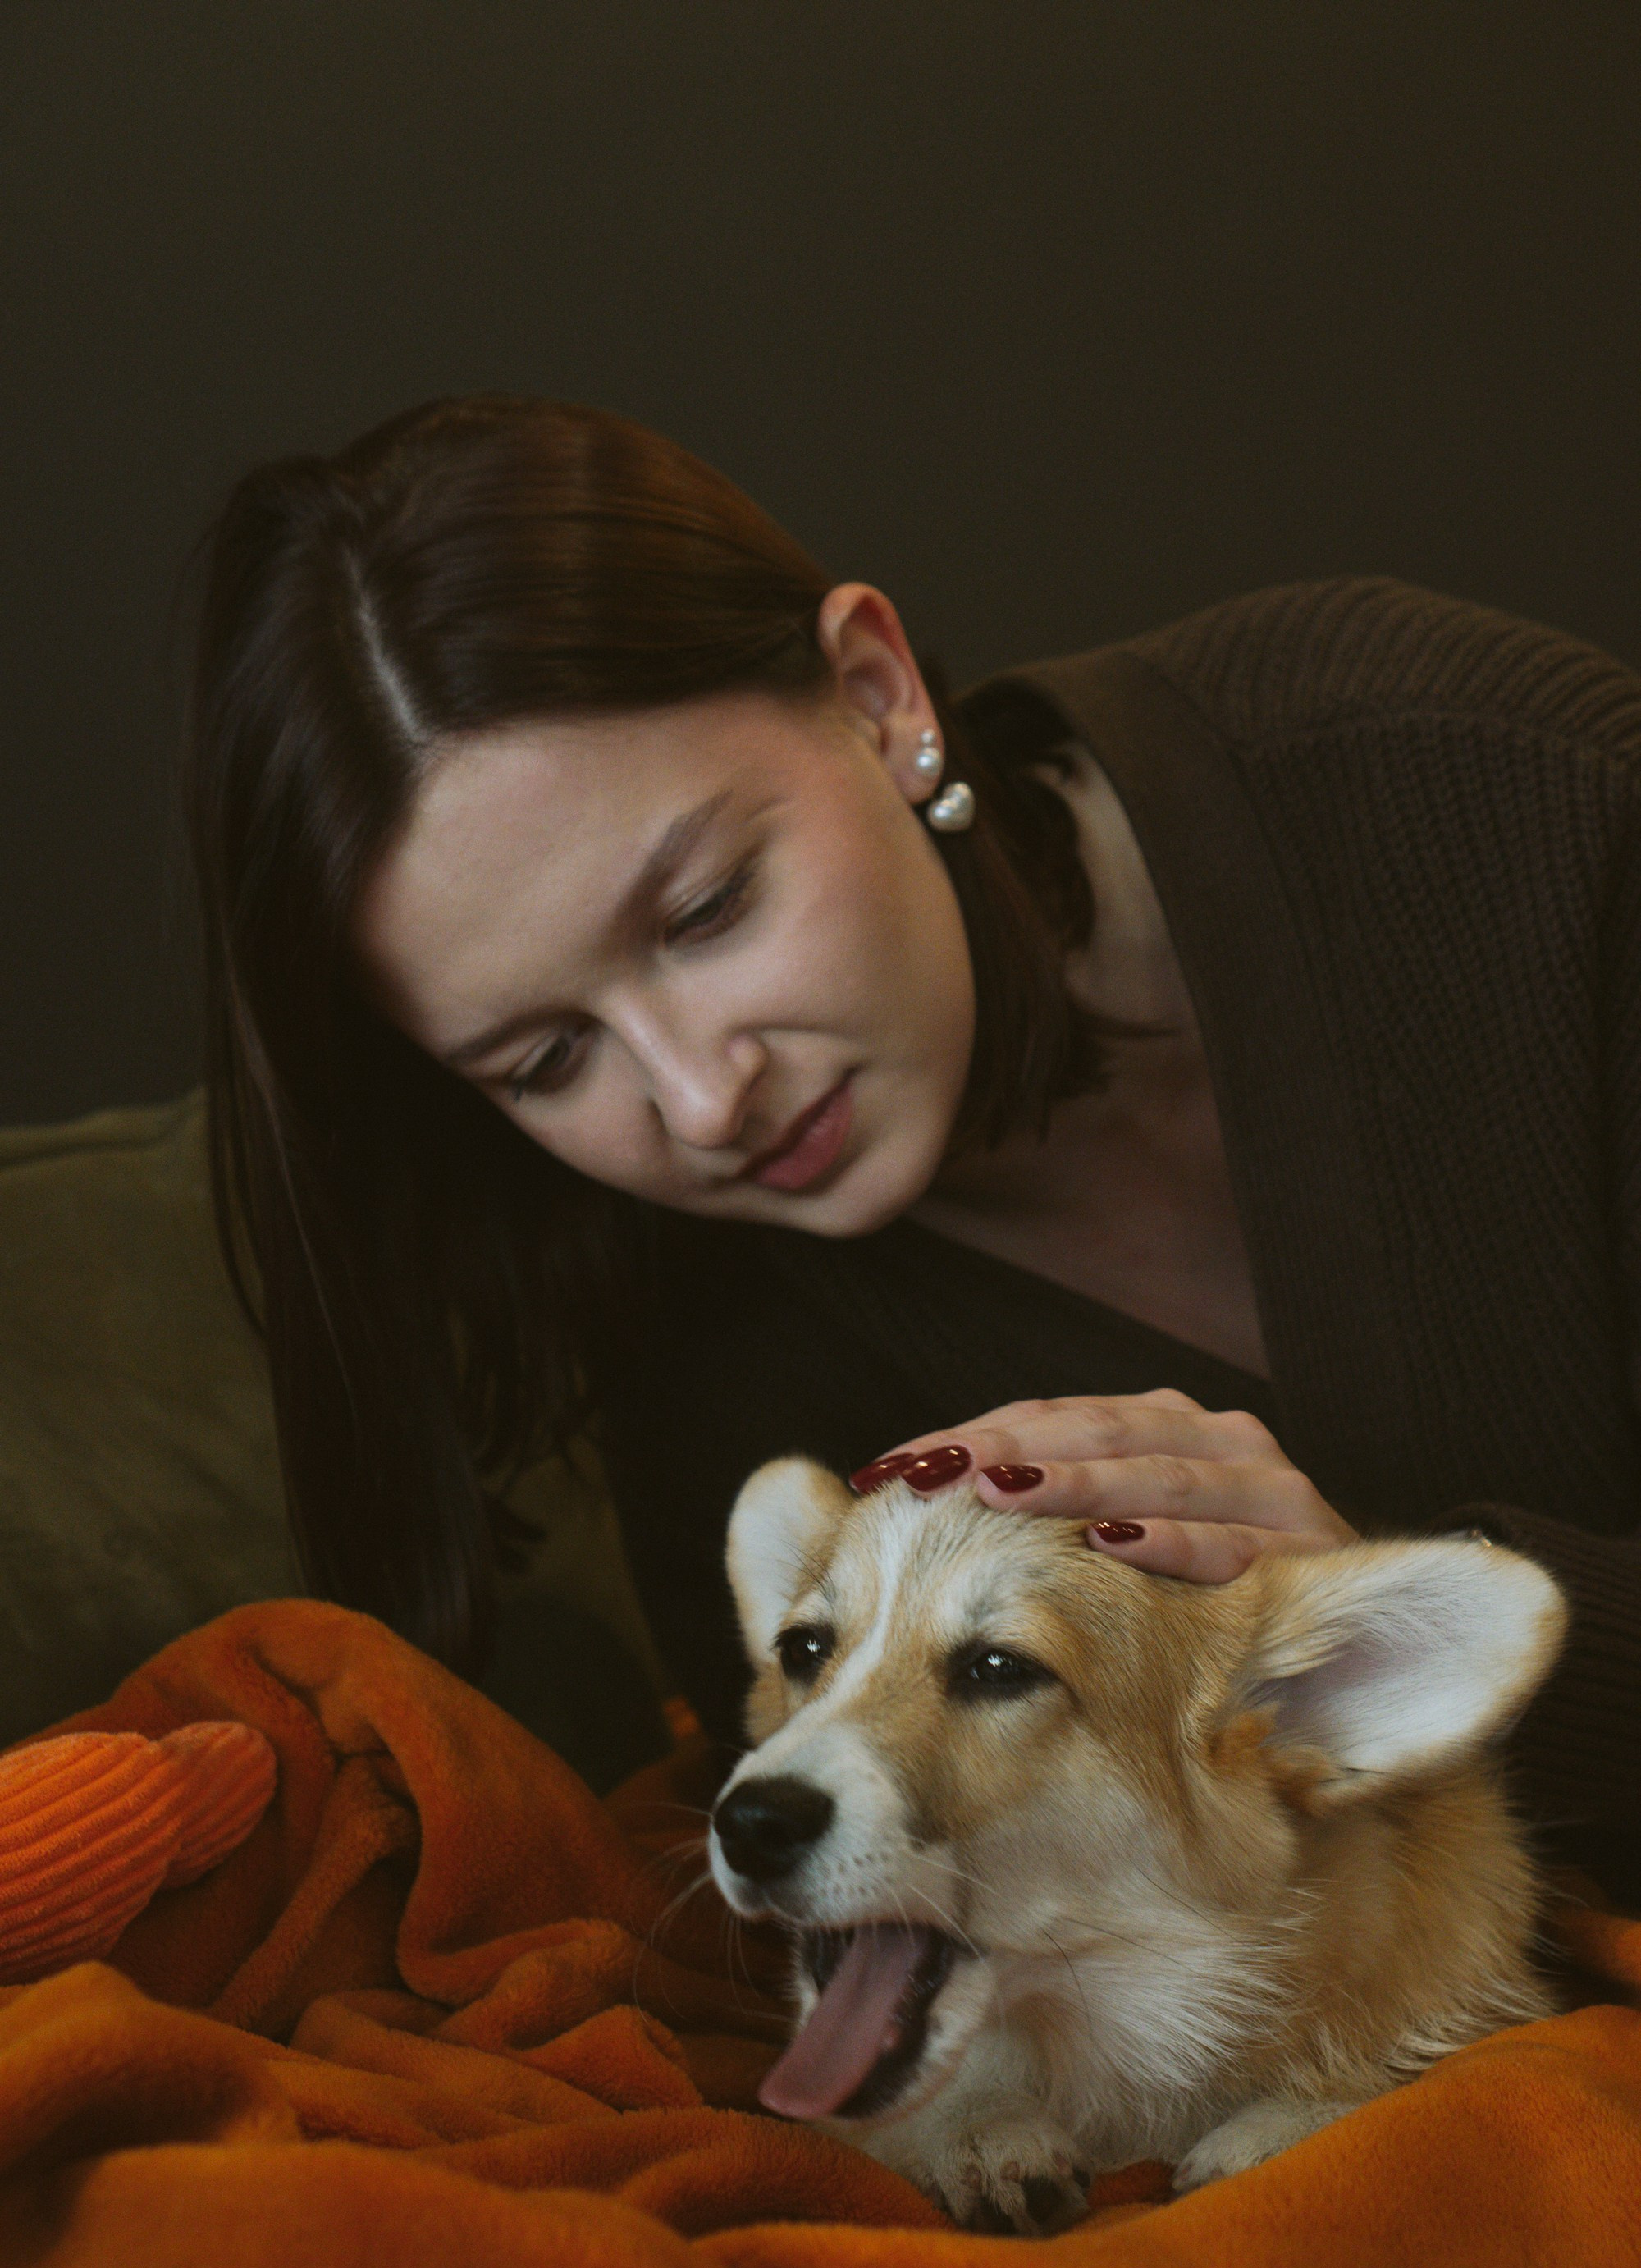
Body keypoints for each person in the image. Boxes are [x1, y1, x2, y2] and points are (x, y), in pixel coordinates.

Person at [186, 392, 1641, 1896]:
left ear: (878, 696)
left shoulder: (1480, 782)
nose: (701, 1102)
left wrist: (1370, 1654)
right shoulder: (725, 1395)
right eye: (548, 1059)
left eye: (707, 912)